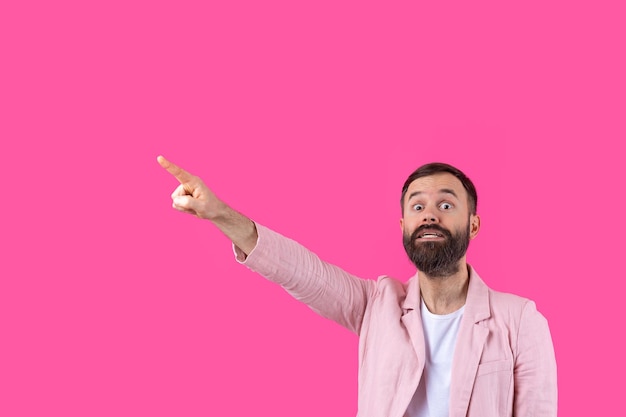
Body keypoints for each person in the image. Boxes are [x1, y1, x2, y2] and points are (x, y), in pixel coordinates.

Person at [157, 155, 557, 417]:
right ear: (403, 227)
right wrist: (221, 215)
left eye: (446, 205)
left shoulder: (519, 320)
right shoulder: (376, 305)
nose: (429, 215)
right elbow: (302, 272)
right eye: (417, 206)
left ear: (473, 224)